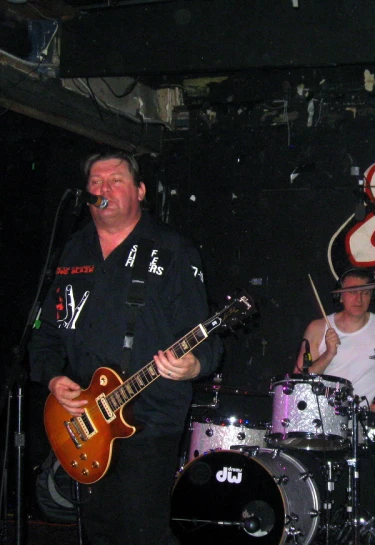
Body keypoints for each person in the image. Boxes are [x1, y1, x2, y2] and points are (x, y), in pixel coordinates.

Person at [29, 150, 223, 545]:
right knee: (100, 531)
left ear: (140, 191)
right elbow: (46, 331)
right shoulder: (72, 250)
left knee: (141, 531)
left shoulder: (171, 250)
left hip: (149, 416)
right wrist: (52, 379)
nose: (104, 188)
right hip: (85, 418)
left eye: (115, 180)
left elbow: (205, 335)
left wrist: (194, 365)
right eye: (96, 182)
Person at [295, 267, 375, 519]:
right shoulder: (318, 327)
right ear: (340, 296)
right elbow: (300, 377)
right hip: (324, 422)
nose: (359, 298)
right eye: (352, 292)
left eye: (365, 292)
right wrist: (329, 353)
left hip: (367, 419)